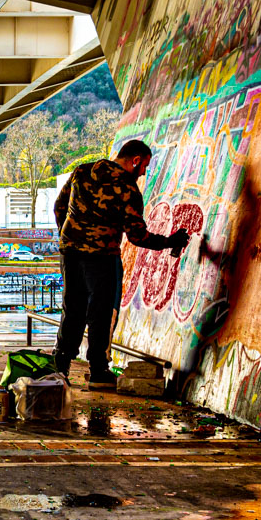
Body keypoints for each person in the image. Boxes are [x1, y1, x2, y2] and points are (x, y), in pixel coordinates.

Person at [53, 138, 188, 389]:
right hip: (102, 256)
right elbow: (137, 236)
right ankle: (98, 370)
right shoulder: (127, 188)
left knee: (72, 307)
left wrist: (69, 236)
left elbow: (59, 207)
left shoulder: (82, 172)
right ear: (135, 160)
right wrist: (170, 241)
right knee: (102, 312)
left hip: (69, 252)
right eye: (144, 166)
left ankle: (60, 365)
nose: (144, 172)